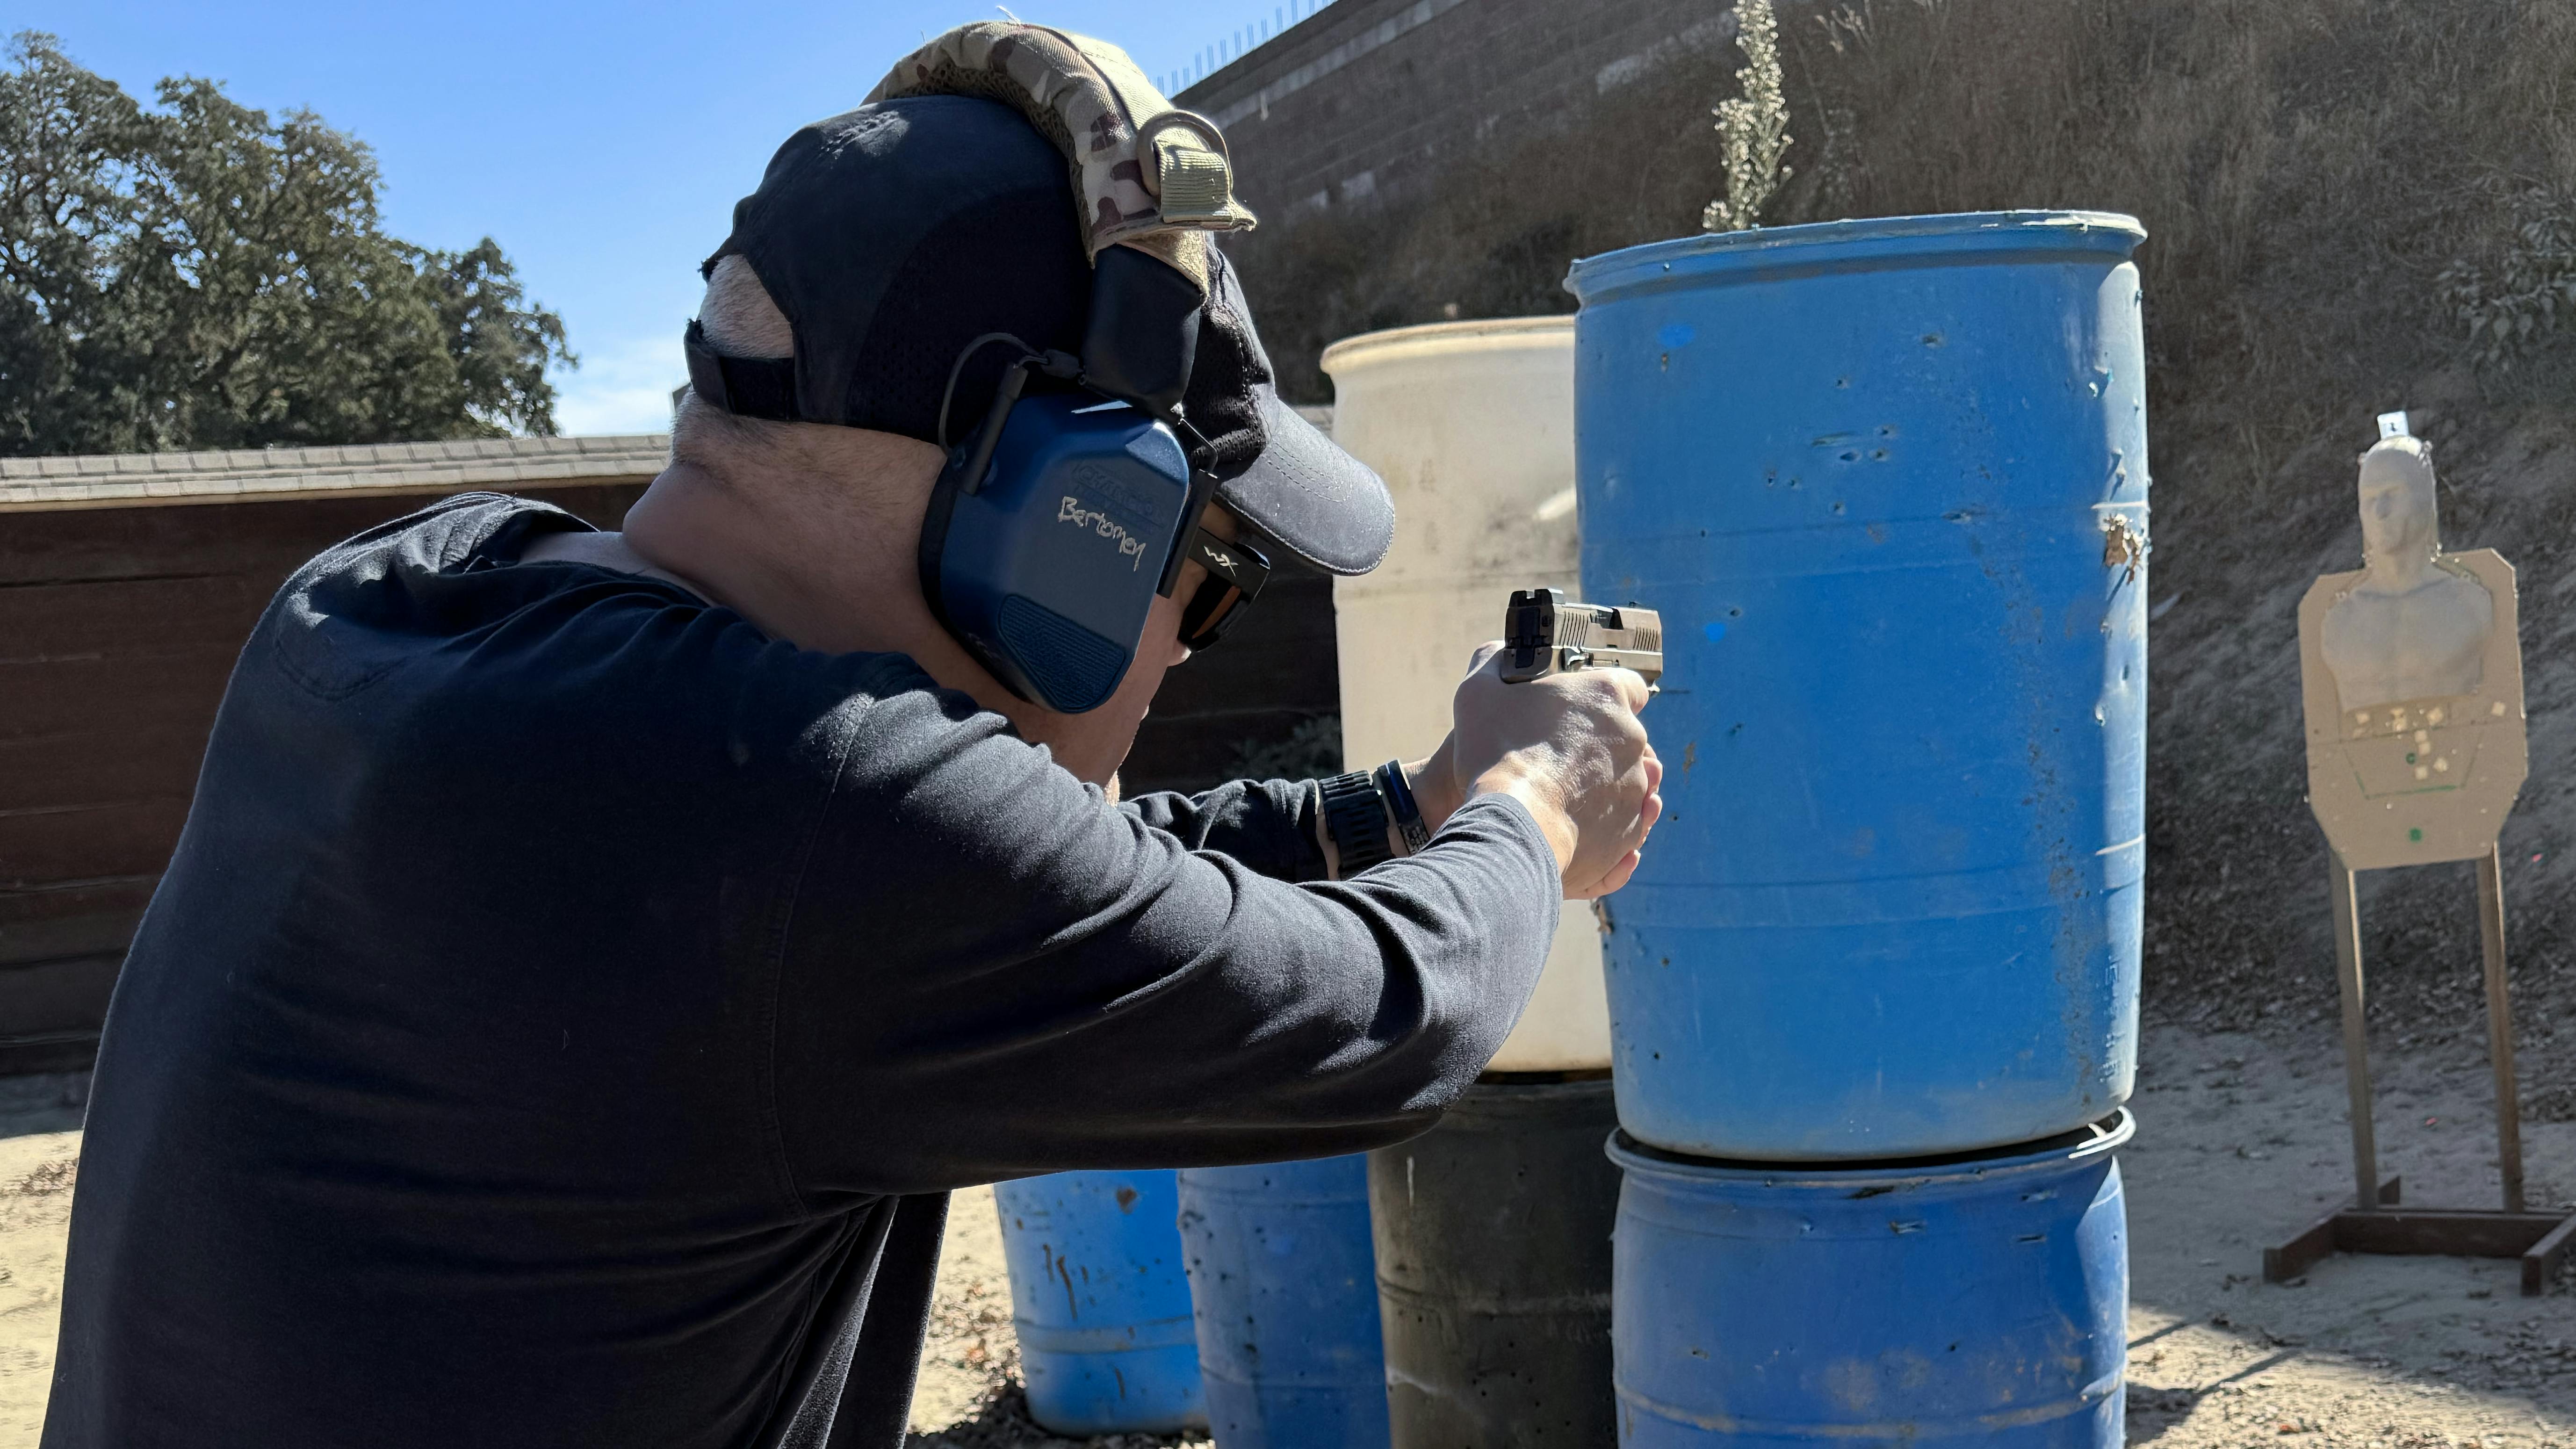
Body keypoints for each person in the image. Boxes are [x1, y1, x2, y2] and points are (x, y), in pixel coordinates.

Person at [40, 54, 1660, 1449]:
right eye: (1204, 569)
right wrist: (1535, 802)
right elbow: (1394, 1016)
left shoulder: (406, 599)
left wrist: (1413, 797)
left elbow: (1016, 875)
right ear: (1065, 520)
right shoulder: (809, 820)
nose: (1181, 639)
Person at [2319, 433, 2494, 714]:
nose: (2381, 511)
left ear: (2425, 499)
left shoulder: (2470, 605)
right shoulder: (2340, 622)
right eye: (2370, 499)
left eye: (2393, 493)